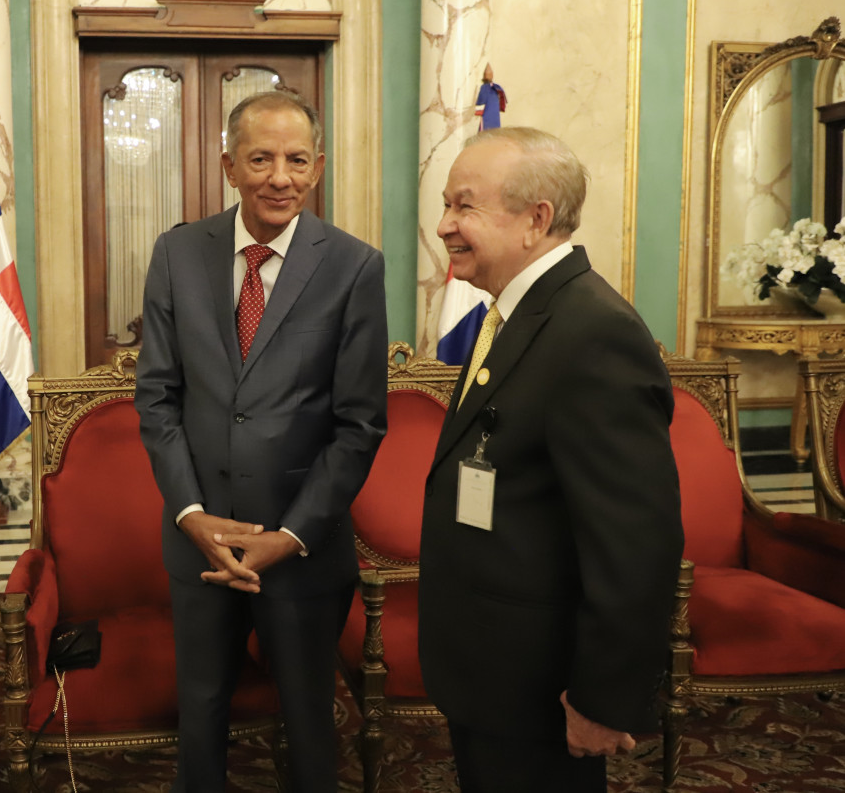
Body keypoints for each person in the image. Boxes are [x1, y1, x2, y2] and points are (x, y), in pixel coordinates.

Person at [135, 90, 388, 792]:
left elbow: (360, 423)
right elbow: (156, 397)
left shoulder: (354, 266)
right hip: (200, 543)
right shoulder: (178, 253)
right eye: (261, 159)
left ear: (319, 167)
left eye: (298, 160)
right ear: (229, 166)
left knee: (310, 723)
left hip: (302, 549)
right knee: (201, 714)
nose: (281, 177)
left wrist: (292, 534)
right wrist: (191, 515)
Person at [419, 127, 684, 793]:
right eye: (447, 204)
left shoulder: (593, 332)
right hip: (495, 670)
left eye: (465, 206)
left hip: (541, 685)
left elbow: (635, 544)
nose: (444, 225)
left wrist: (604, 698)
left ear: (535, 220)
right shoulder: (515, 315)